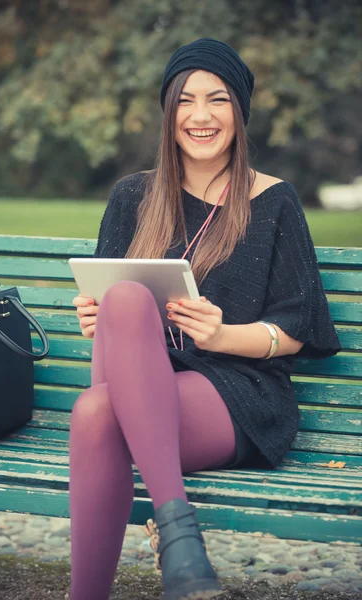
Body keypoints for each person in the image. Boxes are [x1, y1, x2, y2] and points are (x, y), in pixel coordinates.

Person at [69, 38, 341, 600]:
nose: (200, 116)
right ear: (168, 114)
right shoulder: (132, 198)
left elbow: (294, 328)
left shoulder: (273, 202)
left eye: (216, 100)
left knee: (96, 413)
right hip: (138, 387)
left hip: (236, 394)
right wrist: (97, 317)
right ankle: (179, 546)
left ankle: (171, 536)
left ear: (238, 113)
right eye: (185, 101)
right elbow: (107, 311)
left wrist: (220, 334)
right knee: (117, 319)